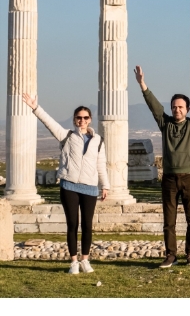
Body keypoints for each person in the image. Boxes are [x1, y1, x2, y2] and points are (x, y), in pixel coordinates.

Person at [134, 64, 190, 269]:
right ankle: (171, 255)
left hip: (189, 178)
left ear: (187, 109)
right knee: (169, 221)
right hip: (170, 179)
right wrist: (142, 84)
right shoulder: (165, 124)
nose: (177, 110)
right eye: (174, 107)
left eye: (180, 107)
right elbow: (154, 106)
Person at [22, 94, 109, 274]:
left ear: (90, 120)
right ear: (74, 120)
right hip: (69, 185)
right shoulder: (67, 136)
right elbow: (50, 122)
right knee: (72, 224)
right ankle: (74, 262)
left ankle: (85, 260)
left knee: (87, 225)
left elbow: (101, 165)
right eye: (79, 117)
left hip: (90, 187)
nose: (82, 120)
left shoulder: (98, 140)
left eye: (85, 118)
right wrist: (35, 107)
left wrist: (105, 185)